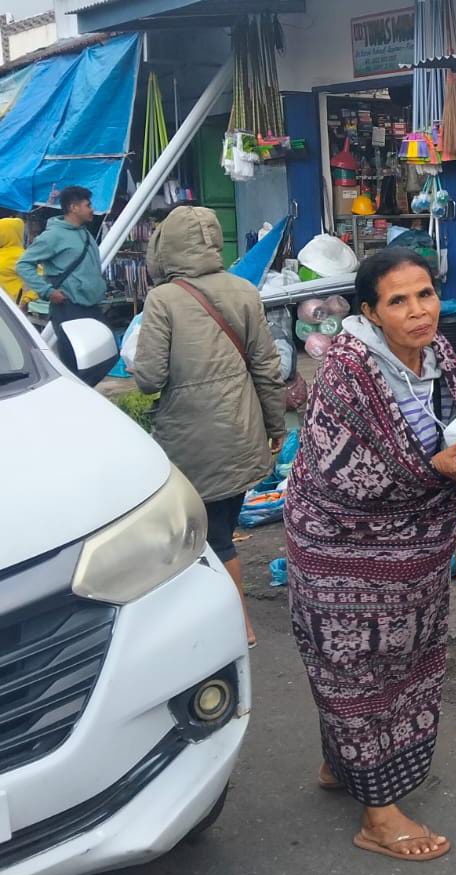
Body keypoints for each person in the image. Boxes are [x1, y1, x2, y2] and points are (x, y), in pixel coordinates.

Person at [283, 247, 456, 860]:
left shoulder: (440, 356)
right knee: (354, 669)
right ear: (371, 312)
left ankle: (341, 764)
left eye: (425, 294)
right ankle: (377, 815)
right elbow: (349, 476)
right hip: (341, 546)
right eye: (398, 301)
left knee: (406, 658)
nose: (418, 311)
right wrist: (436, 472)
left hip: (413, 552)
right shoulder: (347, 370)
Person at [132, 206, 286, 650]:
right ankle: (228, 618)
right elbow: (267, 368)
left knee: (203, 537)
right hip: (240, 433)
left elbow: (148, 378)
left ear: (165, 246)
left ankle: (235, 625)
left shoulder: (163, 300)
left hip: (188, 441)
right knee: (220, 530)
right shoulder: (244, 291)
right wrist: (274, 425)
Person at [16, 186, 106, 371]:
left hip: (92, 307)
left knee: (101, 358)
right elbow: (23, 265)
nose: (92, 209)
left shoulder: (85, 233)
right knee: (75, 363)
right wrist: (47, 291)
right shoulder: (53, 236)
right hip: (68, 308)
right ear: (74, 207)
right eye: (88, 205)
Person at [0, 217, 35, 306]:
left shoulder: (21, 256)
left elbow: (41, 278)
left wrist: (26, 300)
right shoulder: (3, 252)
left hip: (10, 306)